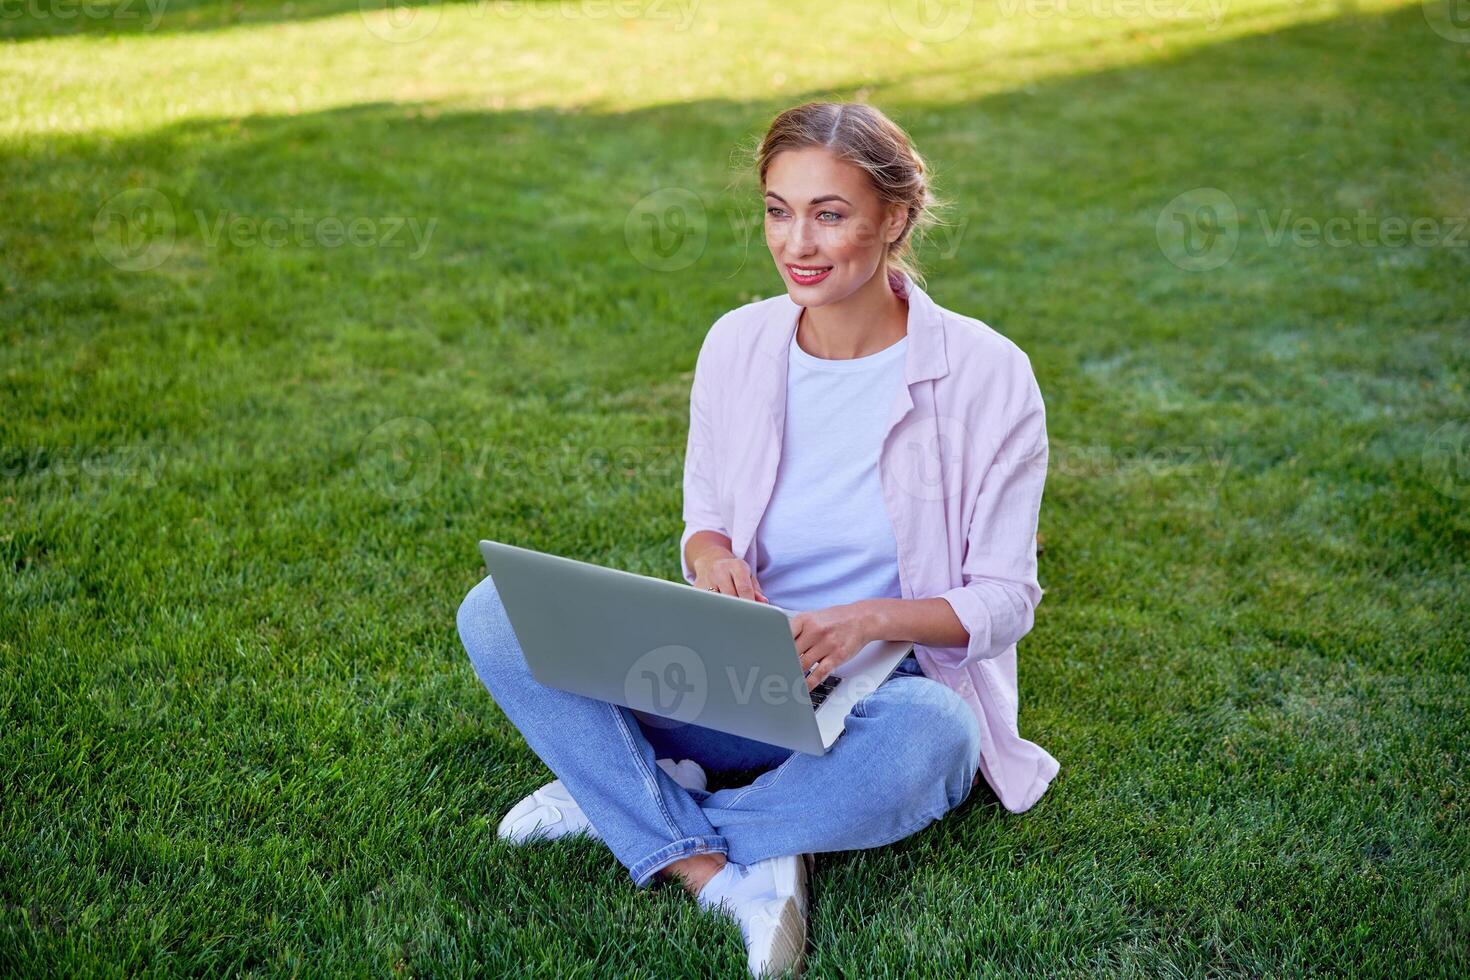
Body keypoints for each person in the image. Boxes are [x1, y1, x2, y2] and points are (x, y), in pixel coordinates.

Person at [457, 101, 1059, 977]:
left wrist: (862, 622)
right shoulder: (738, 342)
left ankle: (631, 799)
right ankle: (722, 857)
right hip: (728, 671)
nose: (797, 245)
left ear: (895, 218)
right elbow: (705, 517)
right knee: (496, 610)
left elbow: (1007, 600)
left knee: (938, 740)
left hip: (870, 696)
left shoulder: (987, 374)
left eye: (830, 214)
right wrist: (710, 558)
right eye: (779, 210)